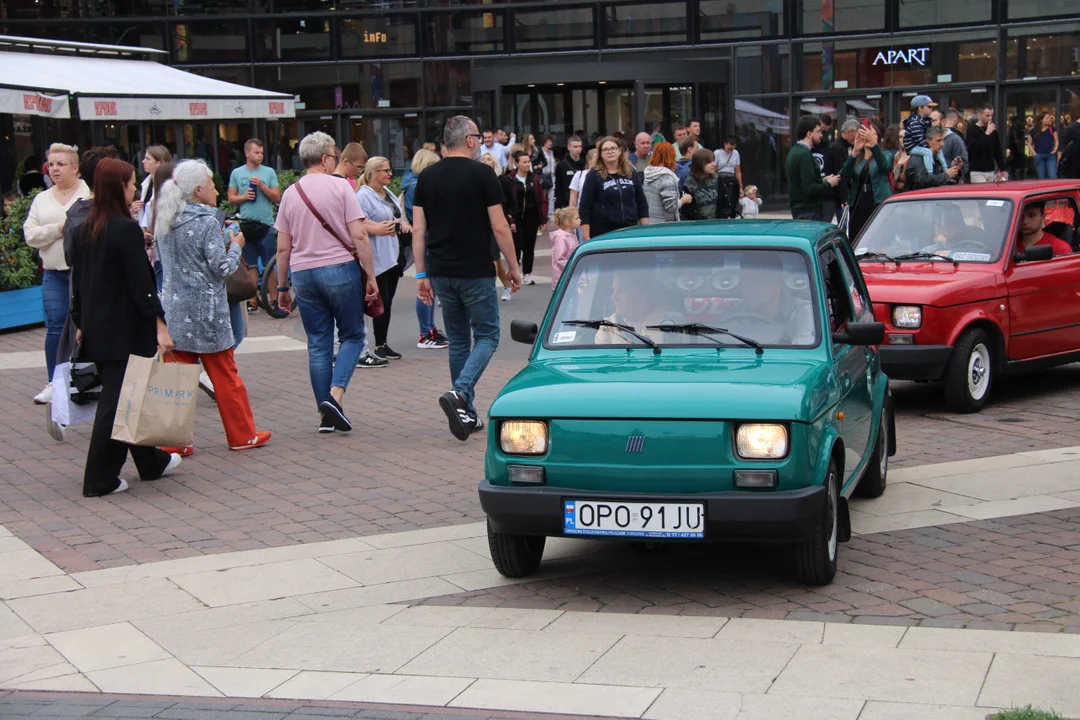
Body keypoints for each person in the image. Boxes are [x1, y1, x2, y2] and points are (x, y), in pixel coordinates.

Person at [69, 158, 182, 497]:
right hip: (125, 328)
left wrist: (80, 321)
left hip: (99, 326)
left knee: (129, 396)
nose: (135, 188)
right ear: (120, 187)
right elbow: (142, 284)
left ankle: (150, 463)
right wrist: (160, 324)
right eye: (132, 182)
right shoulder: (124, 228)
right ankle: (99, 478)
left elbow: (79, 283)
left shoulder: (86, 227)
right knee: (120, 403)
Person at [411, 115, 523, 441]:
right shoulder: (482, 173)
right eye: (478, 136)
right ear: (470, 140)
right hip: (475, 268)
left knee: (459, 342)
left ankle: (467, 412)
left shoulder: (427, 177)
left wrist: (421, 273)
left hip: (442, 270)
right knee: (488, 336)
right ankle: (460, 393)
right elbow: (500, 227)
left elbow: (419, 229)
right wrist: (513, 267)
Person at [154, 160, 271, 454]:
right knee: (225, 375)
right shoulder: (207, 222)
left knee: (177, 378)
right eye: (210, 185)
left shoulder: (165, 218)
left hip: (175, 308)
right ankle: (242, 435)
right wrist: (236, 245)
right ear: (197, 190)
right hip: (207, 311)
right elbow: (222, 268)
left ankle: (173, 441)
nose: (216, 190)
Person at [274, 132, 379, 434]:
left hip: (303, 273)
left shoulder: (290, 193)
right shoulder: (339, 187)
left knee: (318, 344)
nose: (335, 159)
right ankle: (334, 397)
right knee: (352, 336)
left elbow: (283, 247)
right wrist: (370, 276)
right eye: (333, 155)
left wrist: (282, 288)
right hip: (339, 269)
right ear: (324, 159)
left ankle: (325, 415)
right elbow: (359, 235)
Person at [23, 143, 91, 405]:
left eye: (61, 164)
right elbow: (31, 235)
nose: (54, 169)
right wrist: (60, 229)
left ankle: (86, 379)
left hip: (83, 273)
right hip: (54, 274)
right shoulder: (42, 199)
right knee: (55, 326)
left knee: (87, 327)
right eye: (50, 164)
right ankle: (55, 381)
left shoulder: (88, 194)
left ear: (76, 168)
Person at [356, 156, 410, 363]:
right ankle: (375, 345)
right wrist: (380, 227)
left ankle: (382, 343)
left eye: (390, 170)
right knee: (380, 300)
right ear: (372, 173)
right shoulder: (363, 196)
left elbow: (397, 213)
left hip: (393, 252)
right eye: (385, 171)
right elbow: (359, 223)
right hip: (376, 254)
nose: (390, 174)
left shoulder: (387, 192)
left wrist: (399, 223)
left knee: (388, 300)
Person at [402, 149, 449, 349]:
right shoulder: (416, 187)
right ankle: (425, 332)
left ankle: (429, 328)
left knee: (431, 287)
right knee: (426, 287)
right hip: (428, 241)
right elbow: (422, 219)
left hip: (429, 239)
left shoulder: (416, 184)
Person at [227, 139, 281, 313]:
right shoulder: (237, 173)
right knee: (250, 265)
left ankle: (274, 300)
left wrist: (262, 186)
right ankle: (252, 302)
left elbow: (277, 197)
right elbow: (231, 198)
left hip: (265, 224)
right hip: (246, 225)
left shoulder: (269, 172)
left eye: (262, 153)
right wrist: (243, 197)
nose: (260, 155)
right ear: (247, 154)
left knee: (269, 265)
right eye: (257, 152)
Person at [716, 252, 815, 346]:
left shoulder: (805, 312)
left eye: (757, 281)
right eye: (744, 281)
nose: (748, 289)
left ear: (778, 282)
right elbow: (723, 347)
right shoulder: (733, 314)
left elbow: (801, 354)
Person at [578, 136, 650, 241]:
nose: (610, 152)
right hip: (603, 233)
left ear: (620, 151)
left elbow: (641, 202)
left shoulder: (631, 172)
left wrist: (645, 230)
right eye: (605, 150)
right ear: (601, 154)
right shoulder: (593, 175)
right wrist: (586, 237)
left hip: (631, 230)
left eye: (613, 148)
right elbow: (584, 208)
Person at [500, 150, 548, 286]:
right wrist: (511, 220)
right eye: (524, 162)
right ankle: (514, 270)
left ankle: (527, 273)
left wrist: (542, 219)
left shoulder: (535, 179)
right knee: (516, 245)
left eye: (529, 162)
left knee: (529, 245)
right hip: (516, 217)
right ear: (516, 164)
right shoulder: (510, 179)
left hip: (531, 217)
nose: (528, 165)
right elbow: (507, 201)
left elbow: (541, 200)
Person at [841, 122, 893, 241]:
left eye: (873, 134)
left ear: (878, 138)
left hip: (877, 201)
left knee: (879, 238)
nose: (869, 137)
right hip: (858, 203)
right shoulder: (857, 157)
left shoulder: (885, 154)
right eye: (866, 134)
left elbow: (884, 166)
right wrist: (854, 151)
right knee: (857, 238)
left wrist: (874, 146)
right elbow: (845, 174)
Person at [786, 116, 840, 221]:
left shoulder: (794, 151)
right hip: (808, 210)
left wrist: (823, 180)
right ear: (809, 134)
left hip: (801, 209)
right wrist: (829, 183)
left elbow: (802, 182)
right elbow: (809, 189)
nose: (821, 135)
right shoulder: (804, 154)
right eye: (818, 132)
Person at [134, 145, 172, 291]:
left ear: (158, 163)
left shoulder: (167, 187)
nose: (143, 161)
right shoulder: (147, 183)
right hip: (149, 242)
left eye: (147, 158)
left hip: (160, 242)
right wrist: (136, 210)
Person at [643, 141, 691, 224]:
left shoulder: (649, 175)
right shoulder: (666, 178)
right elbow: (671, 206)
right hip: (665, 225)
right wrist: (684, 200)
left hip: (651, 221)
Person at [822, 119, 859, 224]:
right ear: (849, 132)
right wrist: (844, 197)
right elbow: (840, 172)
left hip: (843, 192)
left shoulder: (851, 147)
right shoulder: (835, 147)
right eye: (857, 133)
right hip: (834, 194)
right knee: (837, 222)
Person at [966, 104, 1008, 183]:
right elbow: (974, 149)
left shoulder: (993, 131)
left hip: (990, 171)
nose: (990, 118)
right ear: (980, 114)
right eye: (987, 115)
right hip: (977, 171)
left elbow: (997, 151)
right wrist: (987, 133)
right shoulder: (972, 130)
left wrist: (1003, 169)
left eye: (991, 115)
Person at [680, 149, 720, 221]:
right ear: (700, 164)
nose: (714, 164)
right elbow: (687, 212)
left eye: (713, 161)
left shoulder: (718, 180)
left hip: (717, 225)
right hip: (697, 226)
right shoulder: (689, 185)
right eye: (709, 162)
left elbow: (724, 204)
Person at [549, 206, 580, 288]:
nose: (580, 220)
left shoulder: (573, 235)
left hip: (570, 275)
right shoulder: (561, 238)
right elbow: (559, 258)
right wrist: (573, 264)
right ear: (568, 222)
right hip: (562, 277)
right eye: (577, 218)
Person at [714, 135, 742, 219]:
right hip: (721, 177)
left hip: (731, 178)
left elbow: (738, 171)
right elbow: (714, 168)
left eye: (732, 149)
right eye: (728, 149)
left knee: (732, 200)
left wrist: (741, 186)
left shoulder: (736, 153)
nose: (730, 151)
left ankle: (731, 214)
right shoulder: (717, 153)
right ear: (725, 144)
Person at [554, 135, 586, 210]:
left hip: (582, 203)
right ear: (569, 147)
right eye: (575, 147)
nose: (578, 149)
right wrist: (559, 206)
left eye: (580, 146)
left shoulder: (585, 164)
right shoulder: (561, 165)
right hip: (565, 204)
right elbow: (558, 187)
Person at [941, 110, 969, 182]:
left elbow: (963, 163)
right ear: (955, 120)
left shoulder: (955, 138)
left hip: (950, 179)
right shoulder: (958, 136)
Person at [1029, 111, 1059, 180]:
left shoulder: (1052, 129)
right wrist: (1035, 154)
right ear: (1041, 120)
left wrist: (1054, 150)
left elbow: (1056, 141)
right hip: (1039, 156)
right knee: (1042, 178)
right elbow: (1030, 144)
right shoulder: (1034, 131)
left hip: (1050, 156)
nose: (1049, 120)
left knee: (1052, 177)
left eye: (1049, 118)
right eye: (1047, 118)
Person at [539, 134, 556, 216]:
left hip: (552, 175)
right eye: (549, 141)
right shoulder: (540, 152)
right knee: (543, 195)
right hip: (544, 176)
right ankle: (542, 214)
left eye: (551, 141)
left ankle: (551, 214)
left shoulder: (551, 152)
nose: (551, 143)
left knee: (552, 196)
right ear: (544, 142)